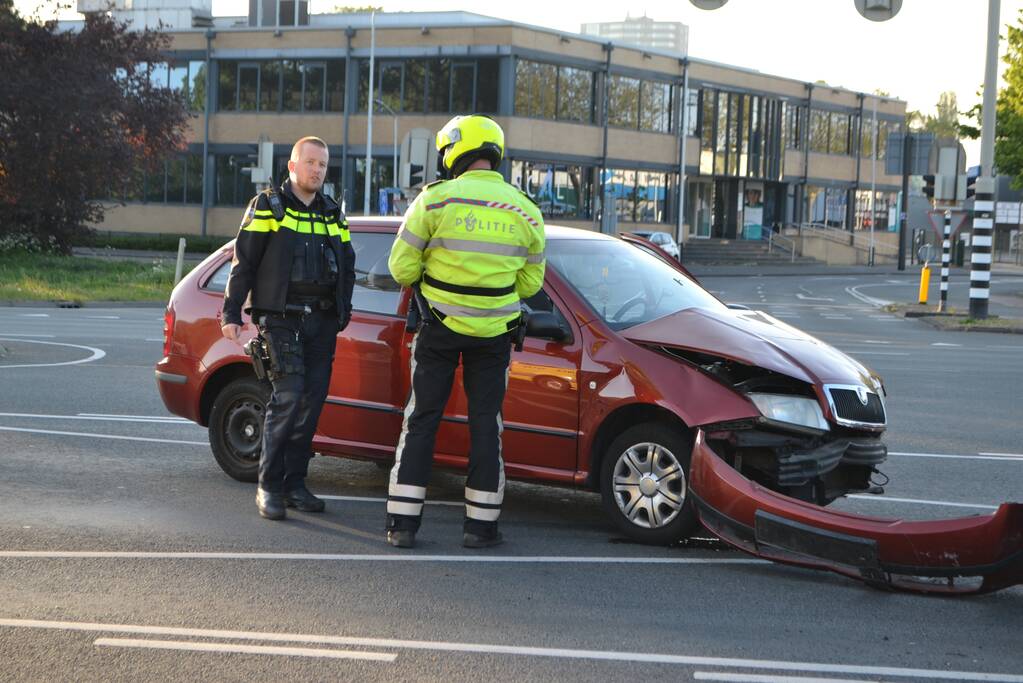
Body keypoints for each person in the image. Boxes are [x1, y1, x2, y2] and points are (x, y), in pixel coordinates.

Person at [385, 114, 546, 549]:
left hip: (438, 329)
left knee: (421, 419)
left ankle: (403, 524)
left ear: (456, 150)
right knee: (485, 426)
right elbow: (531, 284)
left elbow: (400, 267)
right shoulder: (526, 210)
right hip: (494, 336)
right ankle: (481, 526)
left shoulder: (435, 201)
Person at [221, 136, 355, 520]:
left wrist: (343, 308)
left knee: (311, 404)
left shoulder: (332, 212)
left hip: (322, 320)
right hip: (282, 319)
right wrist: (231, 313)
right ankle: (269, 485)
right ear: (293, 166)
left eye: (323, 165)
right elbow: (243, 260)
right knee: (288, 398)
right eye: (310, 162)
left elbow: (346, 263)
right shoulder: (268, 206)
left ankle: (295, 484)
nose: (317, 170)